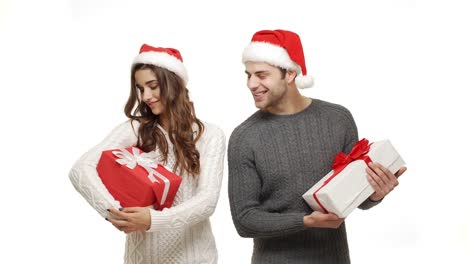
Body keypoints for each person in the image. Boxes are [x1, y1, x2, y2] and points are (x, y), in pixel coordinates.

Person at [228, 29, 407, 263]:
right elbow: (244, 219)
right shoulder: (245, 137)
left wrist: (374, 193)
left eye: (261, 74)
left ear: (290, 73)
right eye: (248, 74)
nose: (251, 84)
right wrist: (305, 221)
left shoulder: (337, 119)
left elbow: (354, 198)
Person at [69, 44, 225, 264]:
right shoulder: (136, 130)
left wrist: (153, 220)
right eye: (140, 89)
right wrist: (117, 213)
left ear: (174, 83)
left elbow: (207, 201)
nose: (146, 96)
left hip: (195, 258)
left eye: (153, 86)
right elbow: (81, 169)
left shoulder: (210, 135)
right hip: (143, 258)